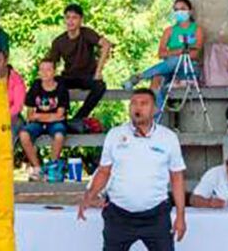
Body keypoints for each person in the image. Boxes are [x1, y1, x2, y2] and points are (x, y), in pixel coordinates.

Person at [78, 89, 187, 251]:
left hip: (156, 216)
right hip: (119, 215)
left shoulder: (168, 137)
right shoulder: (115, 135)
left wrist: (180, 216)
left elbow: (177, 177)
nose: (138, 108)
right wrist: (90, 195)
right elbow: (104, 171)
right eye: (134, 103)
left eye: (144, 104)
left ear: (155, 109)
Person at [124, 0, 205, 110]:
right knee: (156, 80)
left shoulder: (197, 30)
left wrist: (176, 54)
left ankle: (140, 76)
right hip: (169, 68)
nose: (179, 12)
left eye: (182, 9)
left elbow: (195, 54)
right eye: (176, 10)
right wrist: (179, 51)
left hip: (188, 67)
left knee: (177, 59)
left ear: (190, 11)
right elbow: (161, 53)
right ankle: (156, 115)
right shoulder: (169, 31)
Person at [47, 4, 111, 120]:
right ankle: (59, 117)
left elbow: (106, 44)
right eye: (68, 17)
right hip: (69, 76)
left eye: (74, 18)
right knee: (53, 83)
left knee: (100, 86)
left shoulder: (86, 33)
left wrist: (98, 71)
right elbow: (51, 64)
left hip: (87, 76)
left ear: (81, 20)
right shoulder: (58, 41)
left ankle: (78, 118)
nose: (70, 21)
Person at [17, 59, 70, 181]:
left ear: (54, 72)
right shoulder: (36, 86)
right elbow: (30, 115)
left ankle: (52, 167)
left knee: (59, 136)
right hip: (38, 124)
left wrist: (39, 115)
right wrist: (49, 116)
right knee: (24, 134)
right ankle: (37, 168)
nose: (45, 73)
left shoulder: (61, 88)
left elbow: (60, 115)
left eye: (48, 70)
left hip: (56, 124)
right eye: (42, 70)